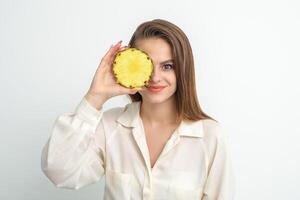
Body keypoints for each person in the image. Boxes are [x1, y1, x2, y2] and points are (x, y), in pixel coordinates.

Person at [41, 19, 235, 200]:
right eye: (147, 65)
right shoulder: (109, 126)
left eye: (167, 66)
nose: (155, 78)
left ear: (183, 70)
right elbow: (60, 172)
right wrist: (95, 96)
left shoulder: (210, 136)